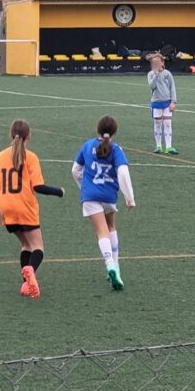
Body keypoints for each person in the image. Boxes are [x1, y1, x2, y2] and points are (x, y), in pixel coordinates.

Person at [0, 120, 65, 299]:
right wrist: (59, 191)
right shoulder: (30, 157)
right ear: (29, 136)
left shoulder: (0, 156)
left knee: (25, 245)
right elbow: (39, 187)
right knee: (38, 247)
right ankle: (30, 270)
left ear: (11, 135)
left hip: (7, 210)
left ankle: (26, 284)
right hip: (25, 208)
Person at [72, 115, 136, 291]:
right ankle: (116, 268)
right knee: (111, 227)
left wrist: (84, 187)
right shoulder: (116, 149)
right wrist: (129, 198)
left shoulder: (87, 146)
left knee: (102, 232)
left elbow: (75, 170)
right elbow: (123, 173)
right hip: (109, 196)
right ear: (114, 132)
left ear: (98, 130)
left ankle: (110, 266)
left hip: (90, 196)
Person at [147, 54, 179, 154]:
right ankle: (158, 146)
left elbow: (172, 88)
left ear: (162, 62)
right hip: (156, 103)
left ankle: (168, 147)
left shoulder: (167, 74)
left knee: (167, 124)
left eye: (157, 62)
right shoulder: (151, 74)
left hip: (167, 102)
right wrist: (156, 75)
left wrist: (173, 101)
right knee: (157, 124)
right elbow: (152, 86)